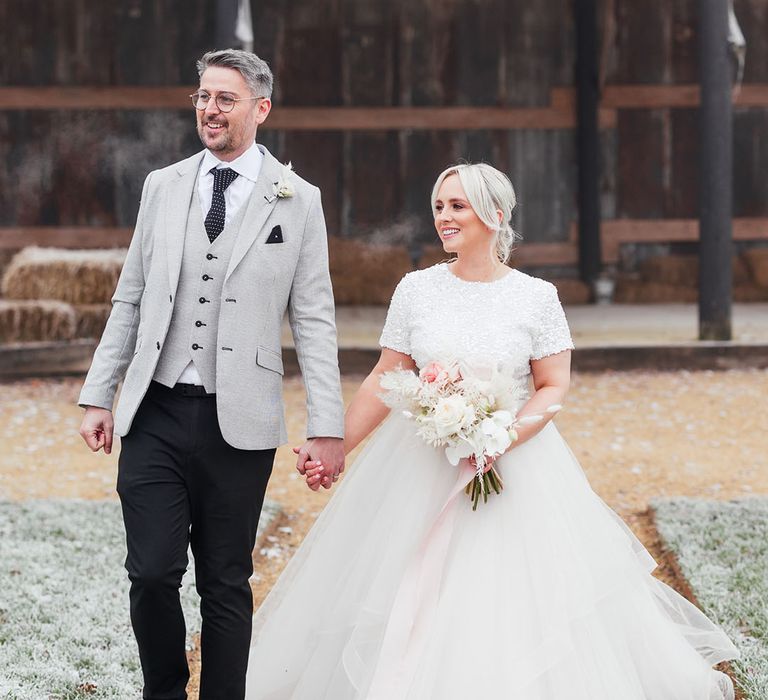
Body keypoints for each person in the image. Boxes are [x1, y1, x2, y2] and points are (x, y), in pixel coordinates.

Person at [244, 163, 738, 699]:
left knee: (505, 597)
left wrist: (499, 436)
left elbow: (552, 387)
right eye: (439, 206)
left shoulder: (536, 297)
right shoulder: (415, 289)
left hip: (512, 465)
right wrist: (335, 443)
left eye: (458, 205)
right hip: (419, 465)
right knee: (404, 586)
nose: (444, 217)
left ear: (495, 215)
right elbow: (388, 376)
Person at [77, 49, 345, 700]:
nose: (209, 109)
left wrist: (327, 425)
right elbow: (131, 296)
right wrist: (98, 395)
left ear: (261, 108)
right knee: (151, 572)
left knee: (224, 580)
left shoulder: (298, 199)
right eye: (202, 97)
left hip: (241, 419)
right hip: (157, 412)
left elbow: (314, 318)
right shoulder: (162, 186)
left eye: (224, 99)